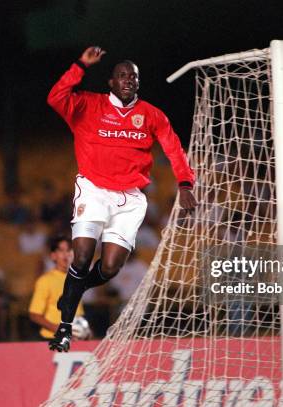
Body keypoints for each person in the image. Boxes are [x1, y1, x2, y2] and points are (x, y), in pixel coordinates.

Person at [46, 46, 197, 351]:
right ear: (111, 83)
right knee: (83, 256)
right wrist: (80, 65)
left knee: (112, 266)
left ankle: (76, 288)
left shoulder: (152, 115)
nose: (128, 79)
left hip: (130, 198)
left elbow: (173, 148)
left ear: (138, 83)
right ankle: (64, 327)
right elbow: (55, 97)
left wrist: (185, 183)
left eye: (133, 76)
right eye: (122, 75)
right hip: (93, 190)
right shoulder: (88, 105)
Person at [29, 235, 85, 341]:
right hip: (51, 339)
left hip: (74, 340)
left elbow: (78, 313)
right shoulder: (45, 280)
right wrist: (59, 329)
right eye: (61, 250)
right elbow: (34, 314)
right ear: (53, 256)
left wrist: (85, 330)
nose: (66, 254)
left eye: (69, 250)